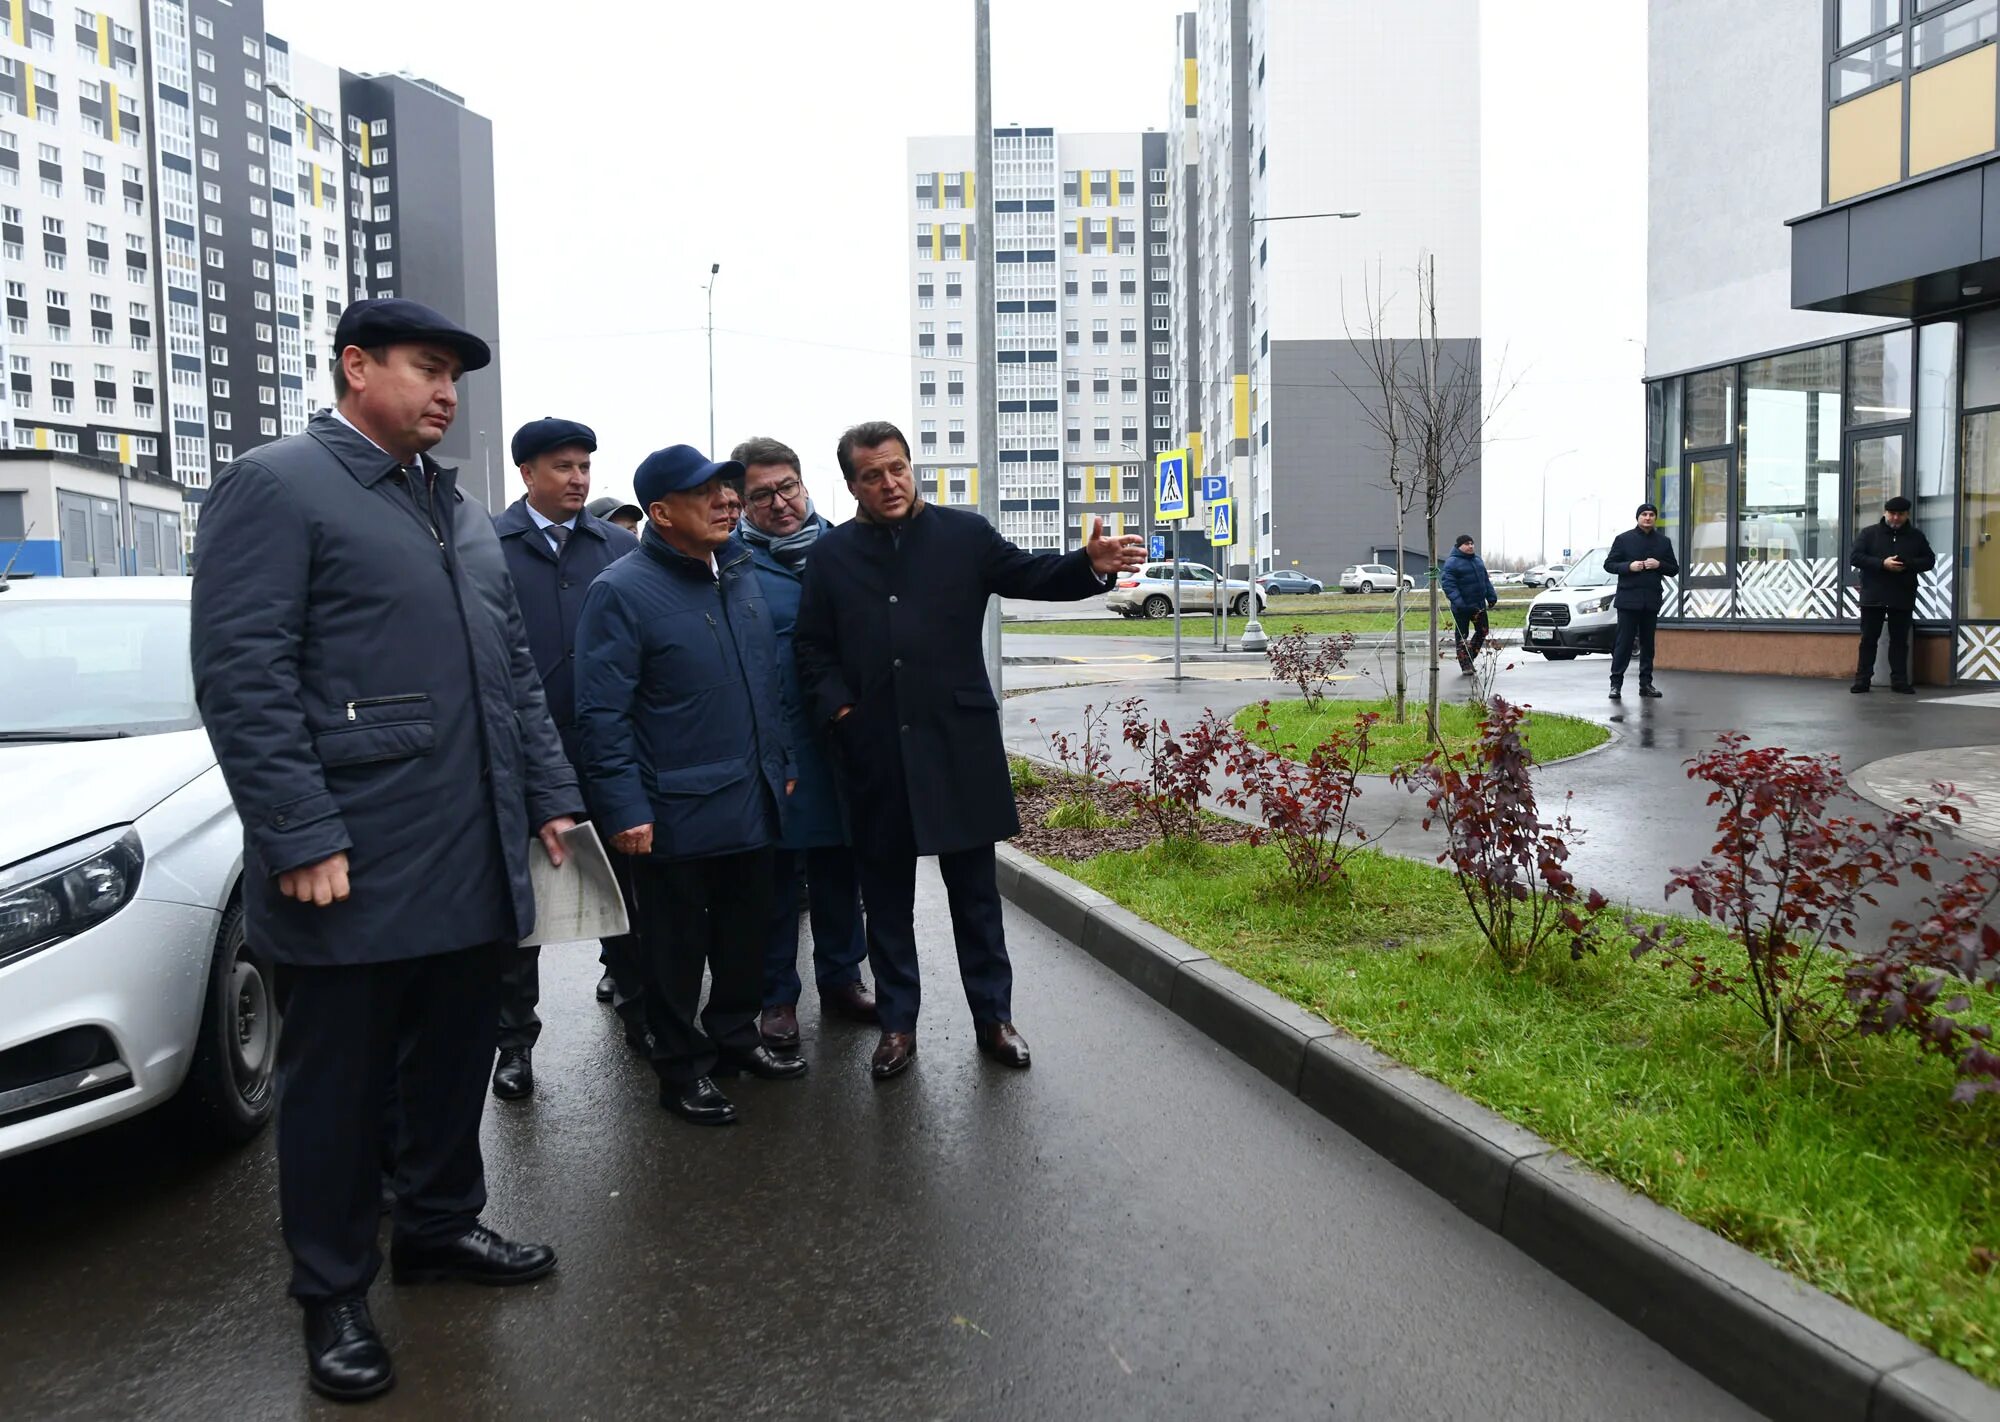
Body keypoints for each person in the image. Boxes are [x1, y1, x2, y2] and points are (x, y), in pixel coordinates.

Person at [190, 299, 580, 1403]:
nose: (447, 390)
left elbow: (509, 673)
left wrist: (549, 796)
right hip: (351, 858)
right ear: (356, 368)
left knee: (452, 1059)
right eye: (425, 367)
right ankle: (332, 1292)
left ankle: (441, 1228)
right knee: (338, 1093)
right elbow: (242, 676)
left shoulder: (457, 512)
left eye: (456, 373)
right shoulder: (278, 484)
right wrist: (300, 832)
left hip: (471, 849)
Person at [793, 420, 1145, 1080]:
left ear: (912, 466)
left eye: (897, 468)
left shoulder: (964, 534)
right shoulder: (833, 556)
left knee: (976, 897)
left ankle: (994, 1018)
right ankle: (898, 1025)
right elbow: (811, 647)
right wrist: (842, 709)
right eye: (872, 475)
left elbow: (1030, 573)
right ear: (851, 485)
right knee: (888, 902)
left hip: (958, 745)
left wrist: (1088, 567)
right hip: (876, 753)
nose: (889, 483)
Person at [574, 444, 804, 1125]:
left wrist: (782, 765)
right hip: (671, 811)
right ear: (661, 512)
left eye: (729, 491)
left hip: (752, 798)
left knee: (747, 937)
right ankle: (681, 1068)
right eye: (708, 493)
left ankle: (734, 1037)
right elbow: (602, 714)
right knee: (674, 953)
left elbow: (767, 685)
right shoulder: (620, 590)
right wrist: (623, 806)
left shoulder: (737, 574)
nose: (728, 502)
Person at [488, 418, 642, 1100]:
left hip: (610, 752)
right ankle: (515, 1044)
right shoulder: (487, 547)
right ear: (527, 474)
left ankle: (640, 1010)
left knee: (629, 890)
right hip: (520, 758)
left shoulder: (616, 546)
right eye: (563, 467)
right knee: (522, 913)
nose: (578, 478)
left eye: (584, 466)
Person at [730, 436, 878, 1053]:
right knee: (776, 880)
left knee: (842, 869)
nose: (779, 503)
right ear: (740, 504)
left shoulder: (847, 549)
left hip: (842, 742)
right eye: (760, 495)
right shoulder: (733, 565)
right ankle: (777, 998)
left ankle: (843, 980)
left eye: (786, 486)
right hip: (772, 746)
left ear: (804, 483)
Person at [1849, 494, 1937, 694]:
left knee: (1899, 640)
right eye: (1892, 514)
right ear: (1885, 513)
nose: (1896, 518)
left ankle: (1899, 680)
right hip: (1873, 595)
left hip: (1902, 595)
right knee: (1869, 639)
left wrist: (1907, 564)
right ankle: (1862, 680)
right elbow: (1855, 557)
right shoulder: (1869, 534)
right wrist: (1882, 564)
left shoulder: (1916, 536)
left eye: (1901, 514)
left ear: (1907, 515)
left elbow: (1929, 560)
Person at [1604, 501, 1680, 701]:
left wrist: (1659, 564)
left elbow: (1674, 569)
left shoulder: (1664, 542)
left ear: (1655, 518)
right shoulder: (1623, 539)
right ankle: (1615, 684)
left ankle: (1646, 684)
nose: (1648, 517)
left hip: (1651, 600)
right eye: (1644, 514)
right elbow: (1609, 564)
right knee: (1624, 643)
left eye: (1651, 514)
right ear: (1638, 518)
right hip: (1628, 600)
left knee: (1648, 645)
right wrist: (1629, 566)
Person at [1439, 534, 1498, 675]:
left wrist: (1491, 596)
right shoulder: (1452, 562)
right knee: (1462, 636)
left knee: (1483, 631)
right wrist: (1459, 603)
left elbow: (1485, 580)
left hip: (1479, 605)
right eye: (1466, 544)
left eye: (1472, 543)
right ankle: (1465, 665)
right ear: (1459, 546)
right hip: (1462, 607)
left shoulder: (1478, 560)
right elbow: (1449, 585)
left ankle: (1468, 657)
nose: (1470, 546)